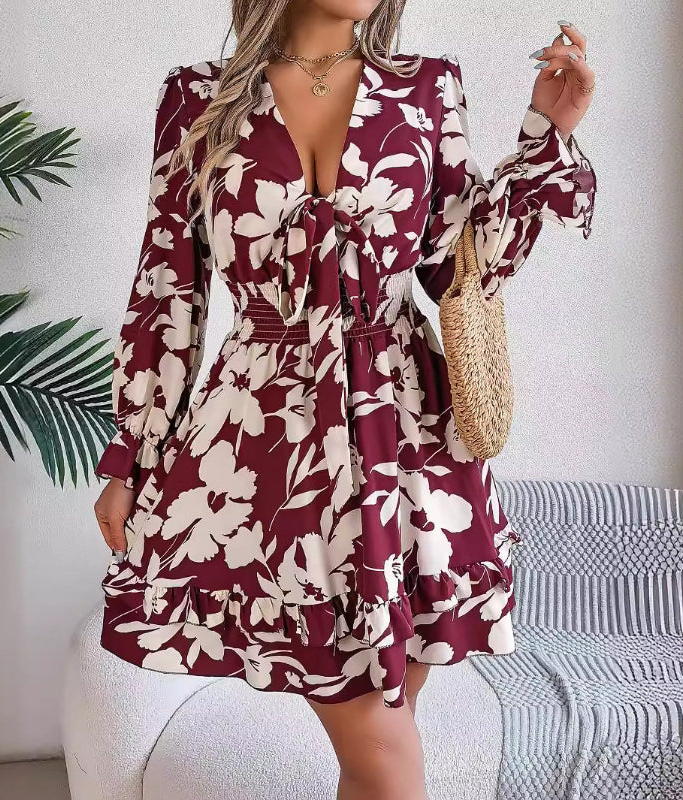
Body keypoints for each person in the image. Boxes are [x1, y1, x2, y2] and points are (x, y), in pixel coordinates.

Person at [93, 2, 596, 797]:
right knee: (382, 751)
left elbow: (460, 267)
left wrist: (547, 136)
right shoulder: (197, 99)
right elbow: (168, 287)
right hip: (266, 445)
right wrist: (132, 452)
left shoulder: (427, 89)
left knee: (376, 749)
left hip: (408, 443)